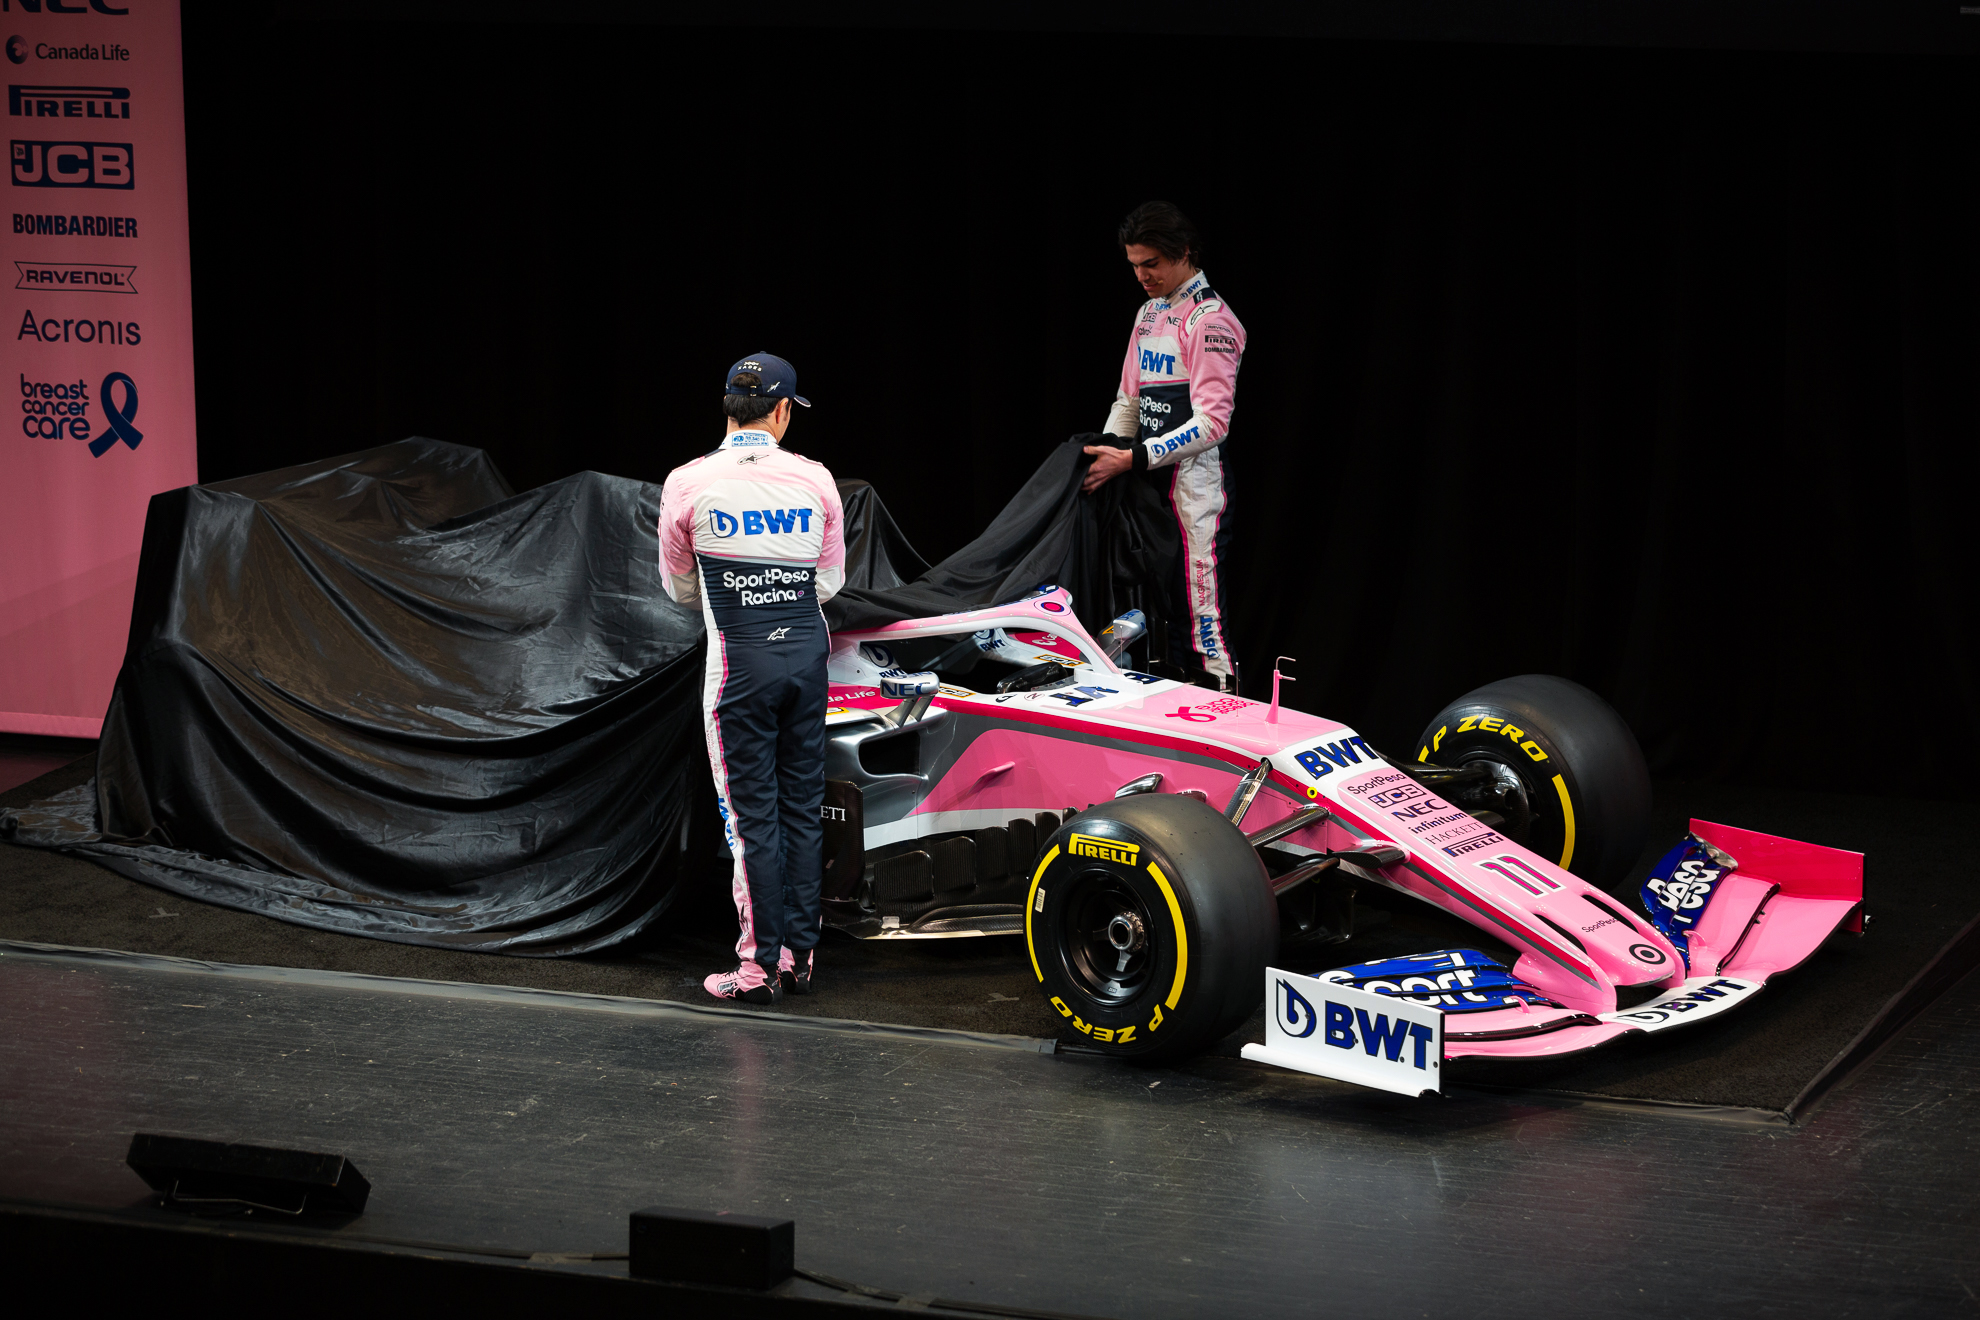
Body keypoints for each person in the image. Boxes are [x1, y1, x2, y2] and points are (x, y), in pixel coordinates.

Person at [659, 354, 846, 1005]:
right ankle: (798, 959)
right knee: (800, 811)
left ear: (727, 410)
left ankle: (758, 970)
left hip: (737, 672)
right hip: (803, 663)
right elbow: (828, 584)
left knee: (750, 822)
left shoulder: (686, 481)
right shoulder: (816, 480)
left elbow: (680, 591)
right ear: (784, 412)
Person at [1081, 201, 1247, 691]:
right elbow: (1129, 400)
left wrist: (1131, 457)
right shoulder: (1150, 313)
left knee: (1199, 621)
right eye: (1134, 265)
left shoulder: (1211, 321)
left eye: (1151, 263)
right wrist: (1108, 452)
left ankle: (1226, 721)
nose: (1141, 275)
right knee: (1156, 614)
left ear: (1184, 253)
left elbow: (1214, 424)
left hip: (1196, 490)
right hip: (1144, 484)